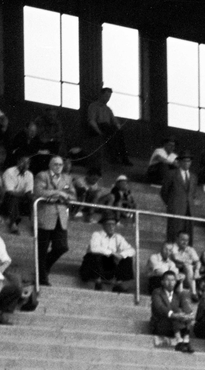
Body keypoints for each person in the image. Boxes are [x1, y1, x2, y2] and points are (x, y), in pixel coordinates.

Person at [33, 156, 76, 285]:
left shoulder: (67, 178)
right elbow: (39, 191)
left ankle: (43, 268)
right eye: (56, 164)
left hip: (61, 217)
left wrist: (63, 196)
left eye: (61, 164)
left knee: (62, 247)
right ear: (50, 165)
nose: (58, 167)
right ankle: (42, 277)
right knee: (42, 248)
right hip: (46, 216)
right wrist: (60, 193)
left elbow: (73, 196)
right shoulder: (42, 175)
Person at [79, 213, 136, 291]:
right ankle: (97, 282)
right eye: (109, 224)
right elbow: (94, 248)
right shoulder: (97, 234)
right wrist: (112, 253)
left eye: (113, 224)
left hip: (107, 267)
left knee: (127, 258)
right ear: (103, 225)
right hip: (92, 268)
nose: (111, 227)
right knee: (95, 255)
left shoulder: (118, 237)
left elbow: (132, 250)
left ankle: (120, 285)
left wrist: (121, 255)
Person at [150, 268, 195, 352]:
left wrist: (189, 315)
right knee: (176, 311)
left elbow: (186, 307)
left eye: (173, 280)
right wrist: (173, 315)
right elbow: (159, 307)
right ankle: (181, 341)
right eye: (167, 280)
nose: (170, 283)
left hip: (175, 327)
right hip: (161, 325)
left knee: (185, 314)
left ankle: (185, 340)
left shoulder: (178, 295)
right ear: (162, 282)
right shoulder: (157, 292)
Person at [85, 87, 131, 167]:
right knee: (108, 128)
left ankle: (124, 158)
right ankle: (114, 158)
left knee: (119, 133)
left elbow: (114, 121)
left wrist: (118, 128)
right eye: (106, 96)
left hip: (108, 128)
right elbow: (92, 121)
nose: (108, 98)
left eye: (109, 97)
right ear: (101, 95)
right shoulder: (93, 106)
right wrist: (99, 132)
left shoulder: (108, 109)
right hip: (96, 128)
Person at [161, 152, 197, 242]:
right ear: (180, 162)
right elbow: (164, 191)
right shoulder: (172, 174)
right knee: (174, 233)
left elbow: (193, 193)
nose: (186, 163)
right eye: (184, 161)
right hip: (176, 208)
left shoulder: (193, 177)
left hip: (189, 209)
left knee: (188, 234)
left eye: (189, 161)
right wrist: (171, 204)